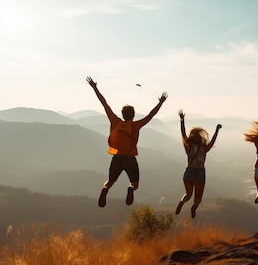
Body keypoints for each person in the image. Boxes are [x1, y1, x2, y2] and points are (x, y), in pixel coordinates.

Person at [86, 76, 167, 207]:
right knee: (135, 184)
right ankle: (130, 189)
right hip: (130, 159)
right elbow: (151, 115)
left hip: (116, 157)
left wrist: (95, 88)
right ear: (133, 115)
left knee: (110, 181)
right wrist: (161, 102)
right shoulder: (136, 125)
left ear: (122, 114)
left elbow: (104, 104)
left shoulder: (115, 121)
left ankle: (105, 190)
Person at [175, 110, 221, 218]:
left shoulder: (188, 146)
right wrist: (217, 131)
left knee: (188, 194)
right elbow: (212, 142)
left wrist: (182, 120)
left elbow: (183, 133)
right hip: (199, 173)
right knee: (198, 197)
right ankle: (194, 207)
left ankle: (182, 201)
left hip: (188, 172)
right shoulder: (203, 147)